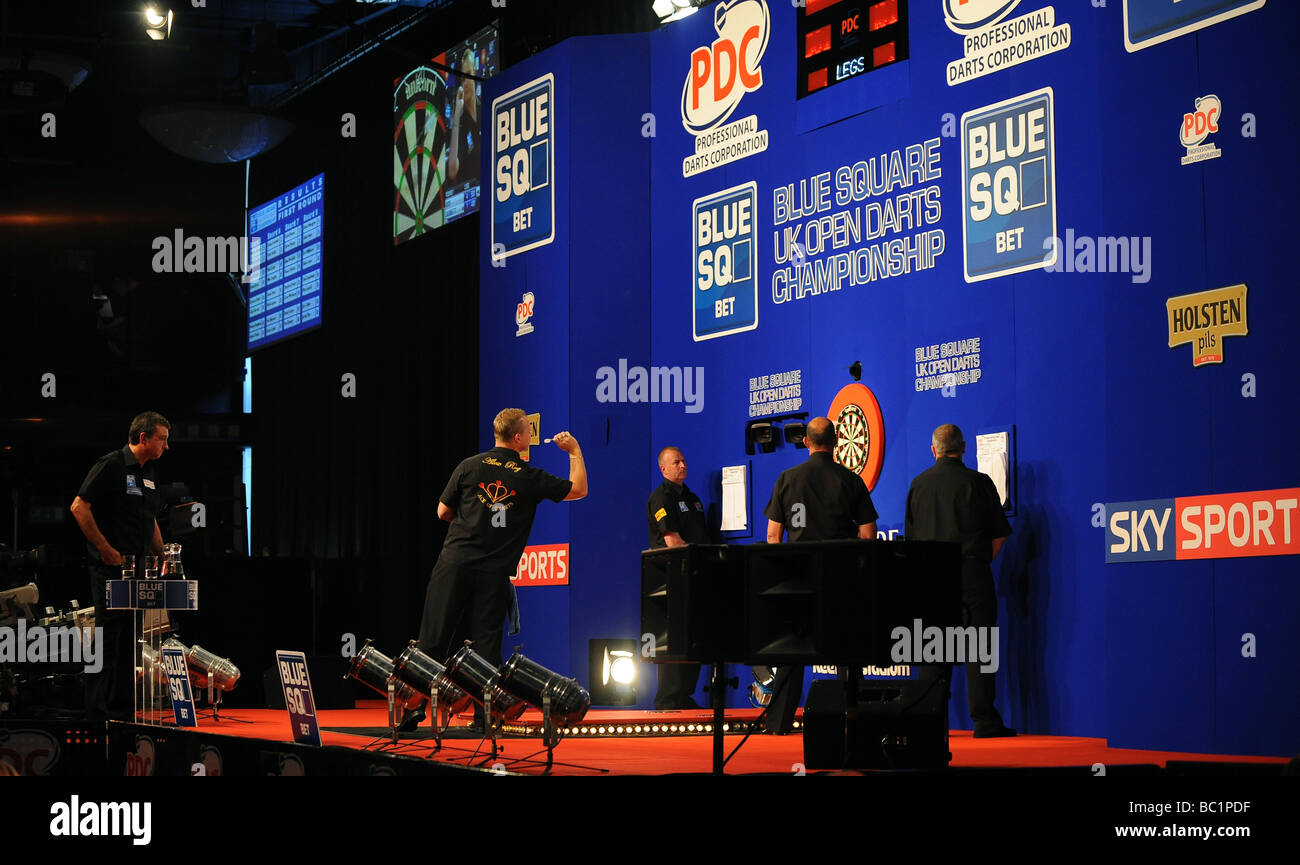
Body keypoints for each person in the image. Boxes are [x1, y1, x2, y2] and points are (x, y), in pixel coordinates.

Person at [409, 408, 586, 730]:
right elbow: (578, 490)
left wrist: (471, 524)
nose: (530, 439)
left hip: (454, 562)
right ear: (517, 438)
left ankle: (411, 708)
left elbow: (442, 511)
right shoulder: (529, 476)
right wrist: (574, 451)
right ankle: (484, 717)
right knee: (485, 646)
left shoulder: (469, 465)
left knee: (433, 638)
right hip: (493, 573)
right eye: (528, 434)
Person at [761, 416, 878, 733]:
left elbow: (773, 536)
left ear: (806, 442)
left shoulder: (787, 478)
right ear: (837, 441)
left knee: (791, 652)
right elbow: (868, 535)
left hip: (799, 579)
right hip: (841, 579)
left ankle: (778, 723)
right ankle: (853, 719)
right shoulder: (850, 480)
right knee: (849, 651)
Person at [905, 423, 1015, 738]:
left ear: (933, 450)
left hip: (929, 575)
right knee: (979, 648)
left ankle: (928, 720)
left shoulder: (918, 485)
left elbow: (911, 541)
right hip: (972, 573)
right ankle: (985, 721)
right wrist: (977, 562)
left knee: (931, 650)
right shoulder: (980, 483)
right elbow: (999, 536)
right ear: (963, 447)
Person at [70, 411, 170, 721]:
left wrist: (162, 552)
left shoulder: (149, 473)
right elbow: (78, 507)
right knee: (107, 638)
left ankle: (124, 710)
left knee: (131, 639)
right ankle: (97, 712)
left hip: (139, 571)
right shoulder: (111, 465)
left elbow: (148, 518)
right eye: (162, 439)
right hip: (111, 569)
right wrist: (104, 548)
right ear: (143, 438)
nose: (167, 446)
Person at [645, 446, 711, 710]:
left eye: (684, 461)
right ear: (663, 468)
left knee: (694, 638)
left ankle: (685, 696)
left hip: (697, 578)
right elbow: (673, 542)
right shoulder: (661, 498)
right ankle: (668, 700)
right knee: (674, 639)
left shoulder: (693, 498)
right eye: (676, 462)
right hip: (671, 580)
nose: (682, 466)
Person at [447, 49, 480, 188]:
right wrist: (455, 120)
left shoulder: (487, 104)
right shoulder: (461, 123)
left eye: (468, 75)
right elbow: (452, 172)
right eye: (462, 78)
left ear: (474, 72)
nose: (465, 82)